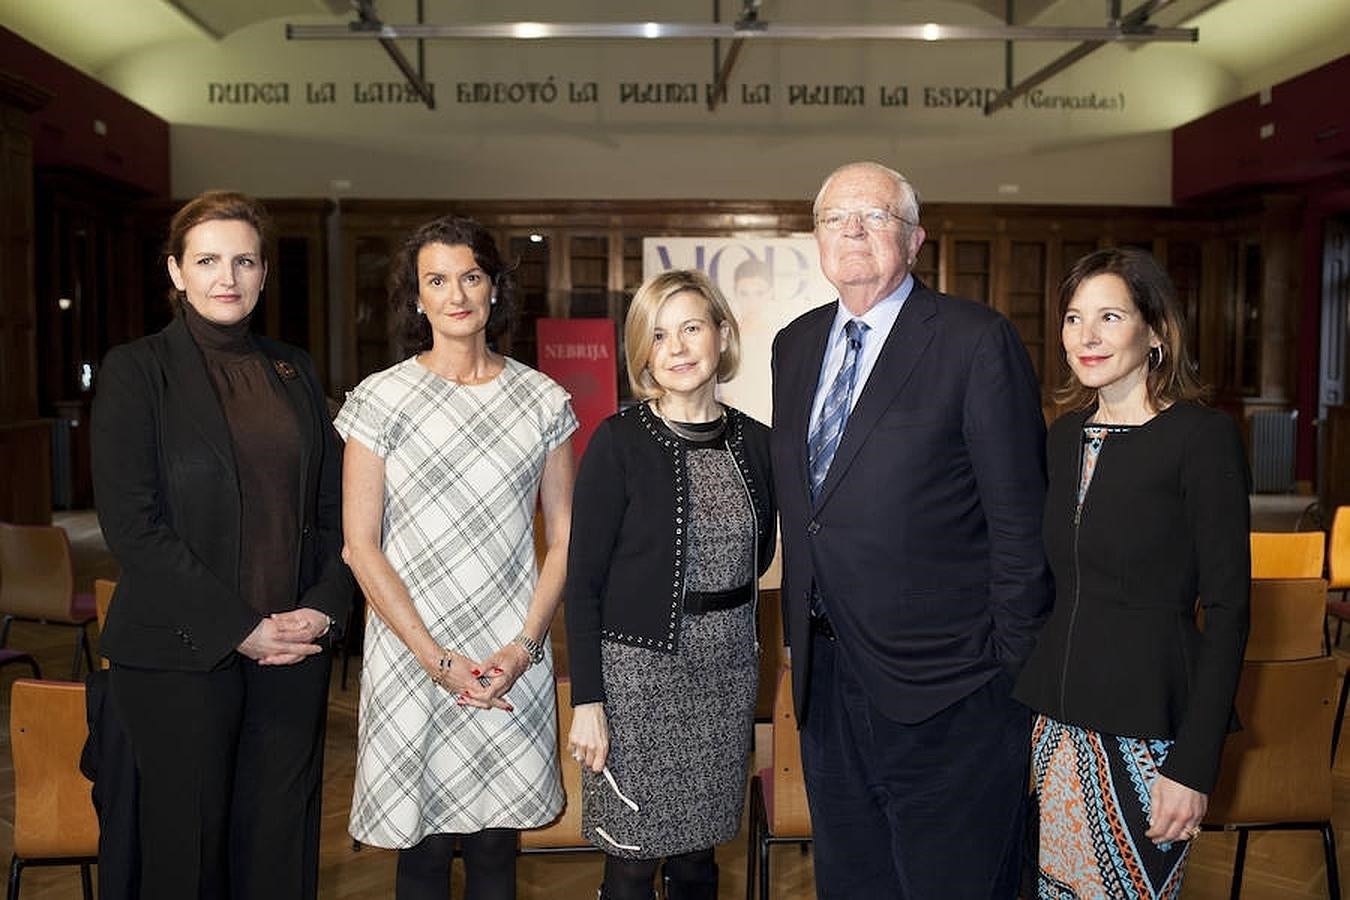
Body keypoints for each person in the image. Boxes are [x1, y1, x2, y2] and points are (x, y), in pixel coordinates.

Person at [769, 161, 1052, 898]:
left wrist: (1007, 677)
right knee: (851, 882)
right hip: (828, 680)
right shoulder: (794, 345)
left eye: (876, 217)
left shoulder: (974, 341)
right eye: (836, 218)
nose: (853, 232)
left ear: (916, 239)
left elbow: (1022, 524)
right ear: (817, 237)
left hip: (951, 688)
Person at [91, 190, 353, 899]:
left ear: (265, 273)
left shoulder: (292, 370)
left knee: (276, 853)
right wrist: (241, 629)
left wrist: (324, 610)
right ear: (175, 272)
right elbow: (134, 527)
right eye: (206, 260)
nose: (226, 277)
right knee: (185, 858)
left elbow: (334, 514)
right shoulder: (135, 372)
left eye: (243, 260)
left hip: (291, 655)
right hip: (180, 659)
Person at [337, 215, 576, 900]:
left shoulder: (541, 400)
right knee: (423, 854)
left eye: (470, 276)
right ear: (416, 298)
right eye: (436, 280)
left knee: (498, 852)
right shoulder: (380, 399)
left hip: (508, 654)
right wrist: (433, 658)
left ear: (496, 288)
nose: (455, 294)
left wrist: (523, 649)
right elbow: (360, 545)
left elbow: (563, 539)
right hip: (414, 655)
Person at [1013, 247, 1250, 898]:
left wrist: (1196, 764)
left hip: (1151, 739)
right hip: (1055, 732)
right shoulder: (1062, 438)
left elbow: (1230, 612)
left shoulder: (1202, 438)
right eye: (1072, 318)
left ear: (1155, 331)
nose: (1085, 337)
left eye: (1109, 317)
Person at [565, 269, 776, 900]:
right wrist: (587, 702)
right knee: (632, 860)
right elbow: (583, 583)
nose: (678, 348)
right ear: (643, 353)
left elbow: (762, 559)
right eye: (659, 335)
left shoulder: (759, 444)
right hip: (636, 681)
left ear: (722, 335)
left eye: (691, 328)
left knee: (698, 858)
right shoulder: (618, 441)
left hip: (726, 671)